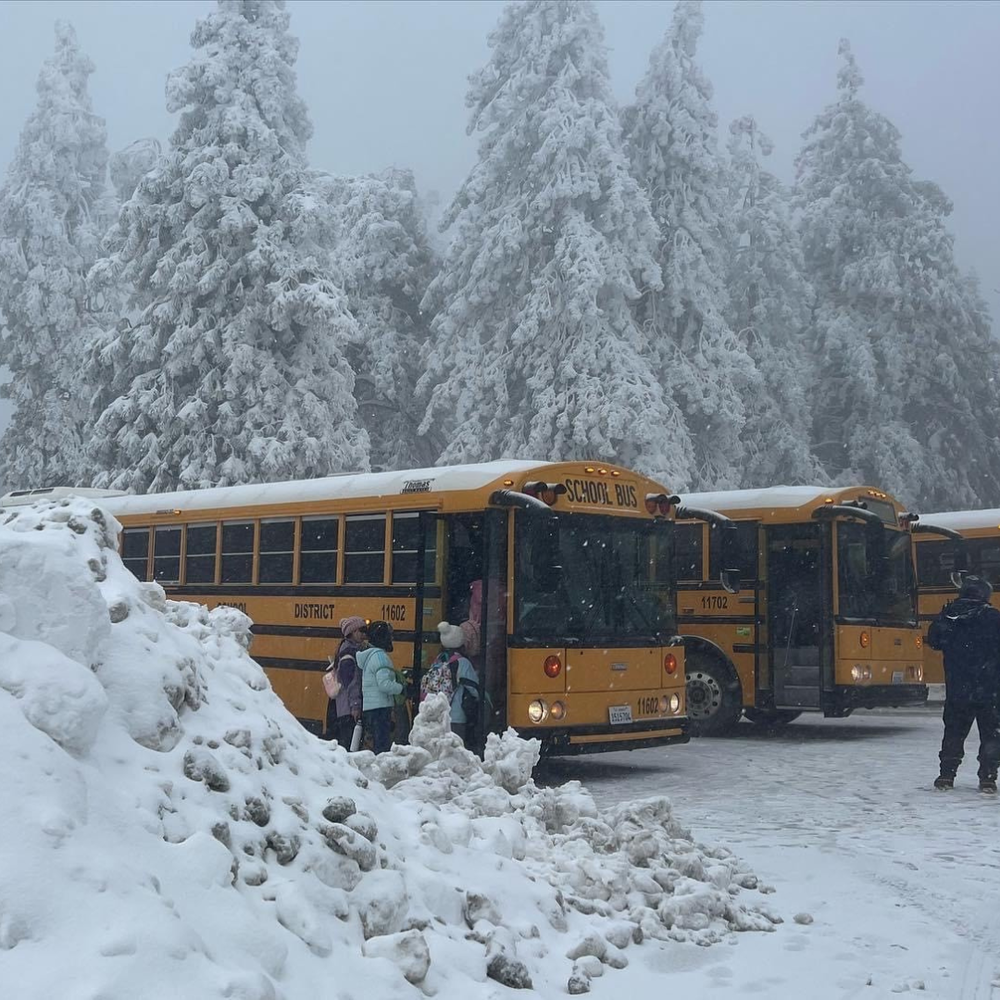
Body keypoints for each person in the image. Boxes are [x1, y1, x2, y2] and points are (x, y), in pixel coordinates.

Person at [926, 575, 1000, 793]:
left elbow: (934, 640)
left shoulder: (949, 617)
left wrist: (945, 616)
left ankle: (946, 775)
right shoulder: (993, 618)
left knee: (954, 733)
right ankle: (988, 778)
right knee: (991, 734)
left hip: (958, 688)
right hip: (990, 688)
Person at [359, 620, 403, 754]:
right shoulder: (380, 657)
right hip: (380, 708)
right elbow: (384, 684)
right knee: (382, 747)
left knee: (372, 745)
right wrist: (401, 688)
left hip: (370, 707)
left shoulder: (370, 656)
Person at [435, 619, 481, 747]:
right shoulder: (462, 662)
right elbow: (475, 688)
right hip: (456, 715)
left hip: (440, 714)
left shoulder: (439, 659)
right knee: (456, 751)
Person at [324, 616, 366, 748]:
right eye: (362, 630)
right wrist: (355, 706)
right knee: (349, 744)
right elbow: (352, 684)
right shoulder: (349, 655)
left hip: (343, 707)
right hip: (347, 709)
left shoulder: (346, 650)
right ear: (353, 632)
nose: (364, 634)